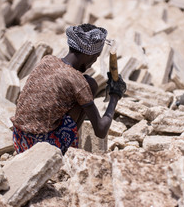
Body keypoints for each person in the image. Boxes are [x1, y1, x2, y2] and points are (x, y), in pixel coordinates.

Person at [11, 23, 127, 155]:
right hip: (40, 150)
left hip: (19, 140)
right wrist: (114, 96)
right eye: (95, 57)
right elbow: (101, 130)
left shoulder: (47, 60)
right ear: (88, 55)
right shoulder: (77, 81)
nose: (93, 62)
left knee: (86, 85)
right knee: (90, 85)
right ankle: (67, 152)